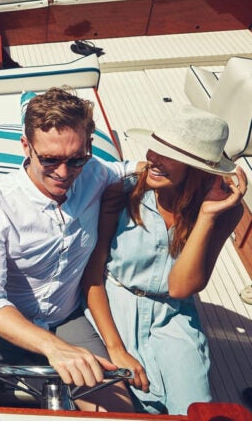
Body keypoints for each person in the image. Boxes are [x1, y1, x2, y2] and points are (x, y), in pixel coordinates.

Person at [0, 87, 139, 411]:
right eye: (50, 159)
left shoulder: (96, 173)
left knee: (124, 414)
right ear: (26, 147)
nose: (64, 173)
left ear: (88, 148)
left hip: (66, 318)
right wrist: (52, 347)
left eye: (76, 159)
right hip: (1, 327)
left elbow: (140, 170)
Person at [82, 105, 248, 415]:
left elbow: (182, 288)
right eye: (155, 148)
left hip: (173, 316)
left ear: (198, 169)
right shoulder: (123, 191)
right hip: (115, 305)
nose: (153, 159)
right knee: (126, 405)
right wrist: (117, 349)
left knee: (194, 408)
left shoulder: (226, 210)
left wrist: (208, 216)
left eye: (169, 155)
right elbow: (92, 275)